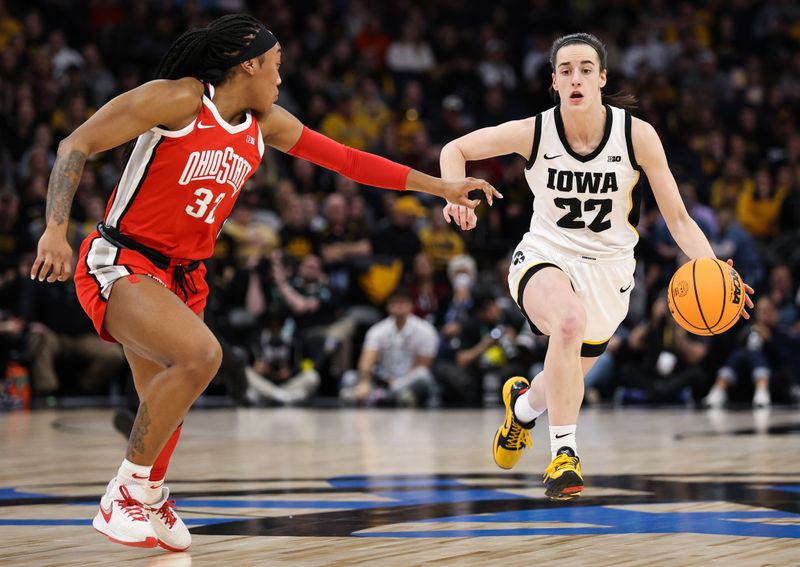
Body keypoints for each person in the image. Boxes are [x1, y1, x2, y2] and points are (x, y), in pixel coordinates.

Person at [30, 14, 499, 552]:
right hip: (122, 258)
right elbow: (75, 144)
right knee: (202, 358)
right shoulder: (179, 99)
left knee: (164, 402)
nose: (280, 76)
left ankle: (152, 494)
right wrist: (54, 230)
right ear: (247, 64)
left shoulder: (266, 124)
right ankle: (124, 493)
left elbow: (348, 161)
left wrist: (441, 186)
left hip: (184, 275)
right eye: (275, 65)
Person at [439, 32, 754, 500]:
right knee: (567, 322)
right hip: (546, 255)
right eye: (565, 70)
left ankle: (522, 408)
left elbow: (680, 221)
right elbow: (455, 150)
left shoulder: (636, 135)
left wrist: (714, 273)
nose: (576, 78)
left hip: (610, 272)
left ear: (602, 78)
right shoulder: (535, 132)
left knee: (560, 378)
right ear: (554, 82)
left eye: (586, 69)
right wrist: (454, 191)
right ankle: (563, 456)